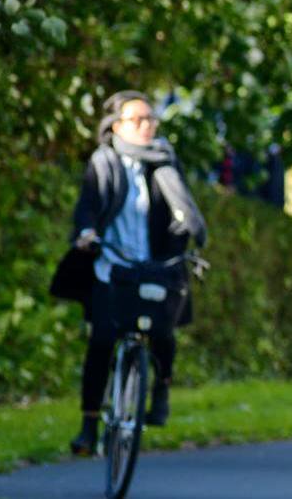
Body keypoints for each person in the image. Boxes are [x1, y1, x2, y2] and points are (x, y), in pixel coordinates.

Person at [51, 91, 209, 455]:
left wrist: (189, 237)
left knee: (164, 332)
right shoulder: (104, 161)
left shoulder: (164, 162)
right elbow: (88, 206)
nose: (147, 126)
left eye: (151, 119)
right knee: (103, 340)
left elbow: (180, 209)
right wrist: (86, 233)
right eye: (137, 119)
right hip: (113, 265)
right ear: (116, 126)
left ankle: (161, 390)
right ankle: (89, 426)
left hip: (152, 265)